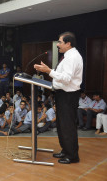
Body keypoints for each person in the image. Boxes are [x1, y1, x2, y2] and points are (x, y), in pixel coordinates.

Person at [34, 32, 83, 164]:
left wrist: (48, 71)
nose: (58, 45)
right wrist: (49, 71)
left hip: (68, 95)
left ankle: (72, 155)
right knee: (62, 125)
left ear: (68, 43)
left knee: (67, 125)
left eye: (60, 42)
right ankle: (66, 150)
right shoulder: (67, 56)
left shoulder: (72, 57)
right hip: (63, 94)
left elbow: (66, 79)